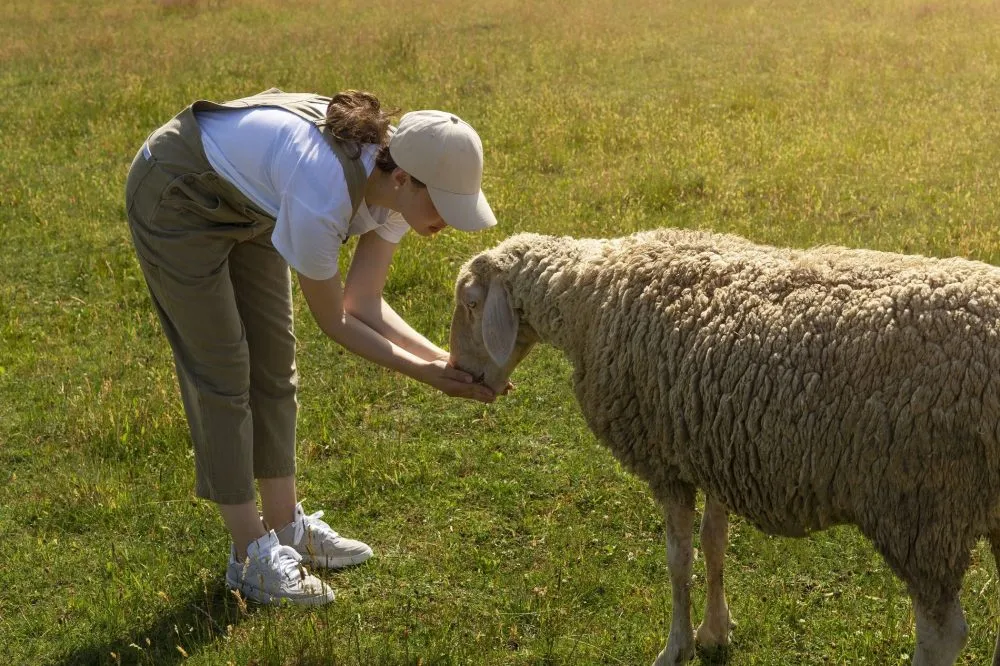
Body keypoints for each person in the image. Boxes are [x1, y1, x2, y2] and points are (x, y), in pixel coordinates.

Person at [124, 88, 498, 606]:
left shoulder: (396, 182)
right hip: (177, 194)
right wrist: (425, 374)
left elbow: (364, 301)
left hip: (252, 203)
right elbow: (337, 321)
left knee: (276, 362)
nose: (449, 221)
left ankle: (286, 528)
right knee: (223, 372)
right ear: (403, 180)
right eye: (444, 204)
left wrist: (442, 359)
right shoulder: (323, 192)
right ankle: (249, 556)